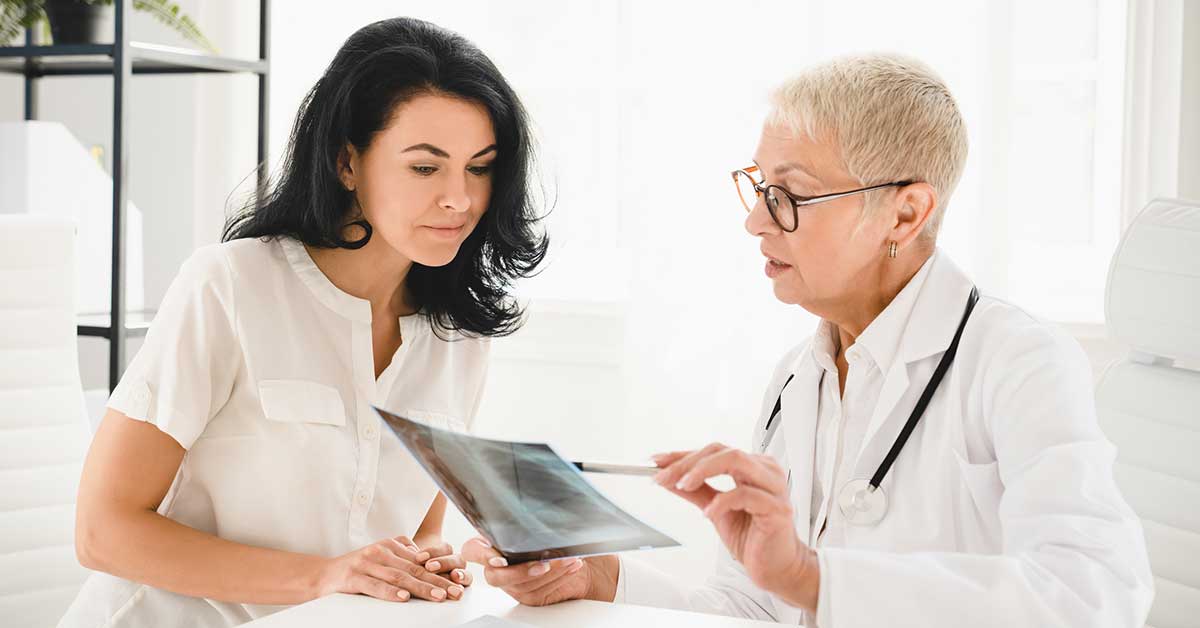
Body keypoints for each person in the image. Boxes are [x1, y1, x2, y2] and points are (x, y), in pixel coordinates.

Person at [465, 52, 1154, 627]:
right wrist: (601, 577)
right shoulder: (800, 378)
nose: (757, 223)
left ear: (905, 212)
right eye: (761, 187)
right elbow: (750, 608)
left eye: (790, 194)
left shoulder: (1018, 360)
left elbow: (1095, 595)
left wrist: (815, 577)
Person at [60, 17, 546, 628]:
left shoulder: (461, 335)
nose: (461, 198)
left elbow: (412, 537)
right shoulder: (230, 287)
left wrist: (452, 568)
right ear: (348, 162)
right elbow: (102, 532)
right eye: (426, 168)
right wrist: (325, 577)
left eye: (480, 167)